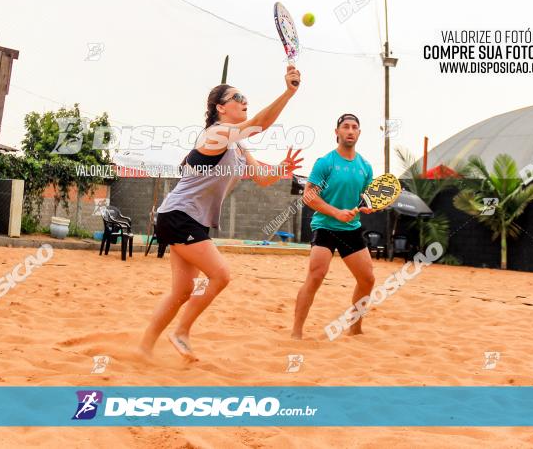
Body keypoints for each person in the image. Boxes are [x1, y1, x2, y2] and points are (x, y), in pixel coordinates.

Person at [139, 66, 303, 362]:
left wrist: (281, 169)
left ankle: (143, 348)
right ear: (220, 108)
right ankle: (181, 332)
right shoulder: (215, 134)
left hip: (188, 220)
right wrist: (289, 92)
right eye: (237, 97)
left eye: (244, 96)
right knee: (221, 275)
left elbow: (262, 178)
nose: (244, 100)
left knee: (182, 292)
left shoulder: (238, 146)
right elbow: (259, 124)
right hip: (179, 216)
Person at [291, 113, 375, 339]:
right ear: (336, 132)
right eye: (345, 127)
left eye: (354, 127)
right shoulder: (325, 163)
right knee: (316, 275)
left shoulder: (365, 167)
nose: (350, 131)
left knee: (367, 279)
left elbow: (365, 198)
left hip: (351, 229)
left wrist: (367, 206)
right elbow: (309, 196)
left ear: (359, 133)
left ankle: (355, 328)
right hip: (325, 227)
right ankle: (296, 332)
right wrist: (337, 213)